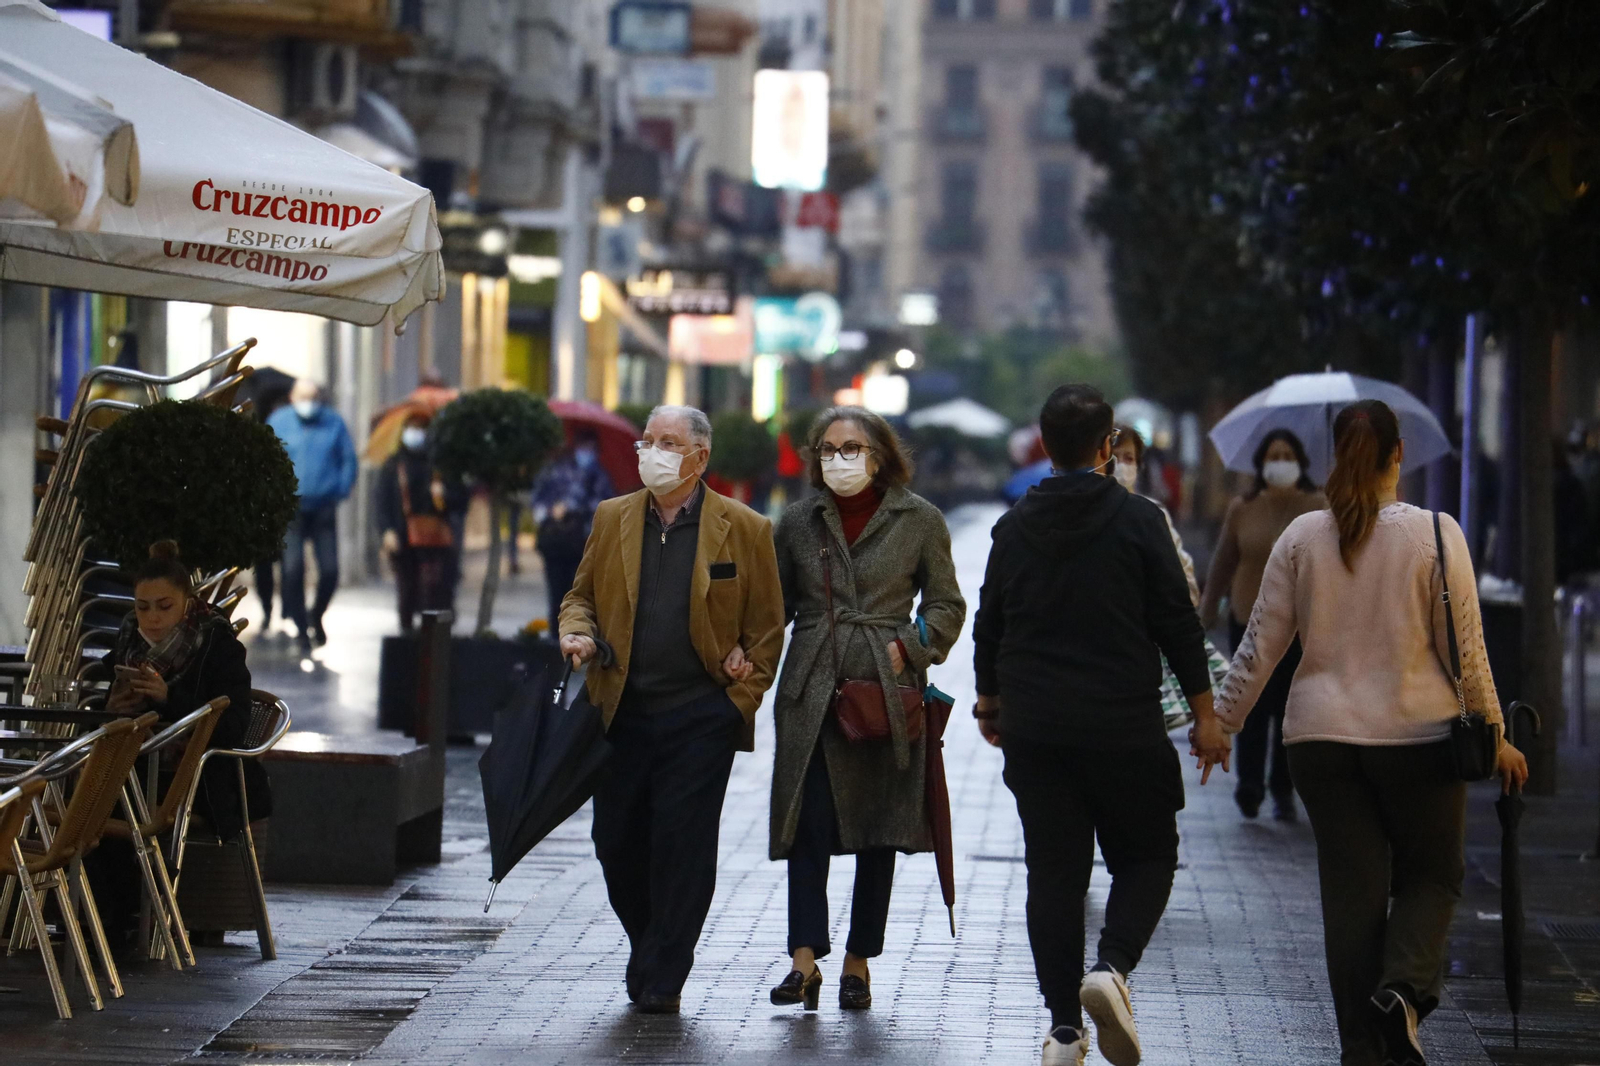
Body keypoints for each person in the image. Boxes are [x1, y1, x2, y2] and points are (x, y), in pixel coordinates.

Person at [1211, 400, 1528, 1066]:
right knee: (1432, 876)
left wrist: (1222, 724)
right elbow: (1465, 651)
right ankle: (1404, 993)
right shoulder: (1436, 535)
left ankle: (1362, 1049)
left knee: (1350, 901)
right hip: (1420, 741)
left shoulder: (1303, 537)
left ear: (1331, 455)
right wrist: (1495, 735)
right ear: (1398, 455)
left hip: (1320, 743)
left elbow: (1258, 646)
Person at [973, 385, 1225, 1066]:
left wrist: (990, 705)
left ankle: (1062, 1031)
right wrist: (1207, 716)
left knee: (1053, 875)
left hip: (1036, 725)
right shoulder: (1140, 521)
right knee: (1147, 855)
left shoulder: (1014, 526)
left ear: (1044, 446)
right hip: (1123, 723)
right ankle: (1110, 969)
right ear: (1109, 446)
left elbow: (989, 623)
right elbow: (1178, 621)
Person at [558, 405, 785, 1014]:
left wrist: (738, 700)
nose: (652, 452)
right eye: (647, 441)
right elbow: (580, 596)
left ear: (700, 457)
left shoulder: (745, 528)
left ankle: (666, 971)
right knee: (616, 840)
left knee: (681, 847)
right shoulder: (612, 518)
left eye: (668, 443)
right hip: (622, 711)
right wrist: (577, 632)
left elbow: (766, 630)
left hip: (699, 716)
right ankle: (648, 940)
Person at [767, 407, 965, 1013]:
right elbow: (769, 603)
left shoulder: (919, 518)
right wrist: (743, 659)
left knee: (879, 827)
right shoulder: (798, 521)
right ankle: (804, 960)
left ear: (878, 455)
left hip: (883, 691)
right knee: (808, 825)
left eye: (851, 448)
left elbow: (947, 605)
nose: (838, 459)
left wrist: (908, 648)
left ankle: (858, 962)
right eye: (827, 449)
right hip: (811, 688)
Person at [89, 540, 272, 953]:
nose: (151, 618)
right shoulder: (128, 642)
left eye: (164, 606)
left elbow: (233, 726)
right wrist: (112, 706)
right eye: (142, 606)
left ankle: (116, 924)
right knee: (77, 796)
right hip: (134, 768)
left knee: (106, 801)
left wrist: (168, 699)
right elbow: (110, 719)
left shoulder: (217, 644)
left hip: (202, 779)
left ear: (187, 603)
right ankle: (98, 922)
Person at [1199, 428, 1324, 820]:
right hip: (1246, 619)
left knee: (1289, 709)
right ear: (1262, 463)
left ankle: (1283, 789)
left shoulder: (1318, 506)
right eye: (1274, 454)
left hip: (1298, 627)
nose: (1281, 461)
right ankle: (1249, 785)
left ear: (1300, 462)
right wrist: (1206, 611)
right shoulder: (1243, 507)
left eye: (1288, 454)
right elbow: (1223, 563)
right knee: (1250, 707)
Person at [267, 379, 358, 654]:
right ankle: (300, 627)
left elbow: (348, 459)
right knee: (292, 570)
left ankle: (315, 614)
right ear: (292, 398)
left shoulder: (333, 422)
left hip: (323, 507)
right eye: (303, 397)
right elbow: (266, 458)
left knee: (330, 570)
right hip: (291, 507)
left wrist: (339, 490)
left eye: (312, 397)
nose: (308, 403)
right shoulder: (279, 421)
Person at [376, 412, 467, 633]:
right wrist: (386, 530)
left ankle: (432, 643)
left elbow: (461, 499)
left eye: (421, 428)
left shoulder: (441, 465)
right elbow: (382, 500)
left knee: (435, 591)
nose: (416, 434)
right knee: (407, 589)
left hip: (436, 541)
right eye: (412, 428)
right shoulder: (393, 464)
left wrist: (443, 494)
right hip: (403, 536)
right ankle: (407, 636)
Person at [531, 432, 615, 628]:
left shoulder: (600, 474)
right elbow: (538, 497)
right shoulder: (557, 470)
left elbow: (605, 505)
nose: (585, 452)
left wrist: (574, 508)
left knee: (579, 592)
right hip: (555, 541)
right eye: (582, 446)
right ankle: (555, 635)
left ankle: (576, 633)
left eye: (590, 447)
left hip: (583, 543)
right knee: (556, 592)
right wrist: (550, 510)